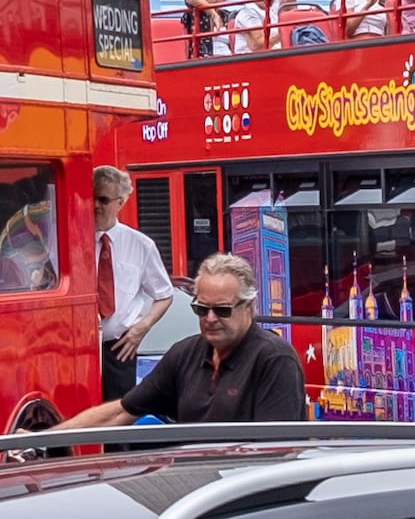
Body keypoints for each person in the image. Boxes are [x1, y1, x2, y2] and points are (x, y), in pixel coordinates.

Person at [86, 253, 309, 424]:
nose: (210, 318)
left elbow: (276, 451)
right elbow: (122, 411)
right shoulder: (184, 354)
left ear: (248, 307)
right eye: (201, 309)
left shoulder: (275, 360)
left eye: (222, 310)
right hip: (191, 472)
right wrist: (65, 434)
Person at [93, 165, 182, 392]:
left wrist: (141, 328)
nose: (95, 205)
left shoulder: (141, 245)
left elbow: (164, 294)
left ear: (120, 203)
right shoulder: (69, 239)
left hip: (119, 348)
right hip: (76, 348)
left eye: (103, 200)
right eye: (90, 198)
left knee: (117, 410)